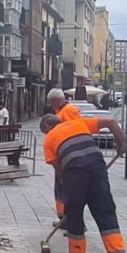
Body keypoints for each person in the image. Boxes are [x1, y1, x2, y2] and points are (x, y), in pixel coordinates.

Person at [41, 111, 127, 253]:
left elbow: (59, 170)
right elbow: (110, 121)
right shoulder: (79, 123)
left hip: (75, 172)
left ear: (47, 127)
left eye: (45, 131)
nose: (46, 134)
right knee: (105, 211)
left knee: (74, 213)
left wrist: (68, 192)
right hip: (97, 167)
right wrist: (121, 143)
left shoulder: (49, 140)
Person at [46, 88, 80, 221]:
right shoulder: (60, 111)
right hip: (62, 156)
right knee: (61, 189)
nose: (50, 105)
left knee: (68, 189)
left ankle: (71, 219)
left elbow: (74, 131)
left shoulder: (69, 111)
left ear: (55, 100)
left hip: (68, 156)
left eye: (51, 102)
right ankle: (63, 217)